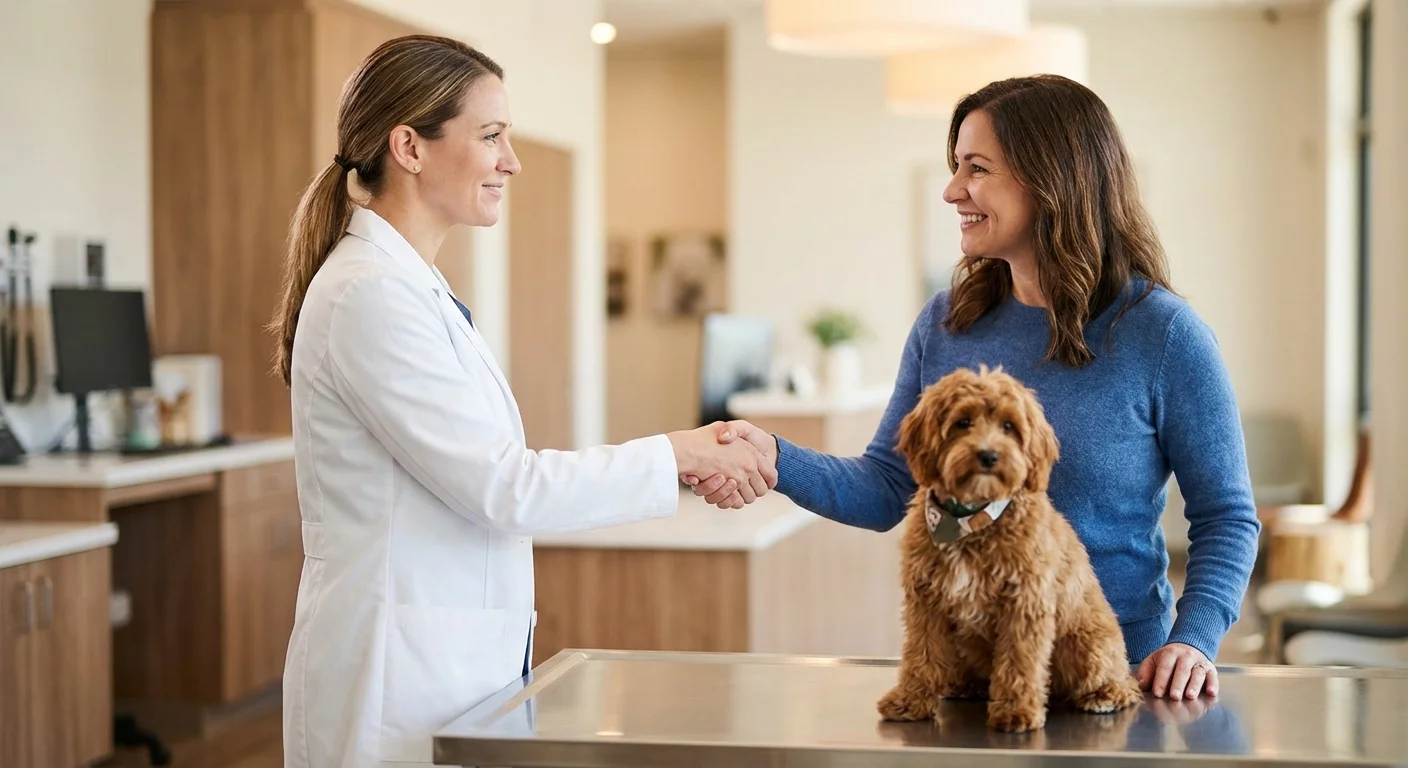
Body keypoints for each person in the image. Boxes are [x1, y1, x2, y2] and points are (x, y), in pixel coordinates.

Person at [269, 35, 774, 768]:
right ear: (409, 145)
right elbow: (505, 487)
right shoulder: (369, 295)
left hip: (442, 664)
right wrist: (676, 454)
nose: (512, 160)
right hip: (391, 678)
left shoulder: (412, 289)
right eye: (492, 136)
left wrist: (682, 458)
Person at [688, 74, 1261, 703]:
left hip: (1115, 677)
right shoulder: (945, 321)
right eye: (956, 166)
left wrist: (1195, 638)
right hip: (969, 688)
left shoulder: (1165, 335)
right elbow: (888, 487)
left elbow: (1226, 516)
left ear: (1053, 179)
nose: (953, 189)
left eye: (977, 168)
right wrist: (774, 456)